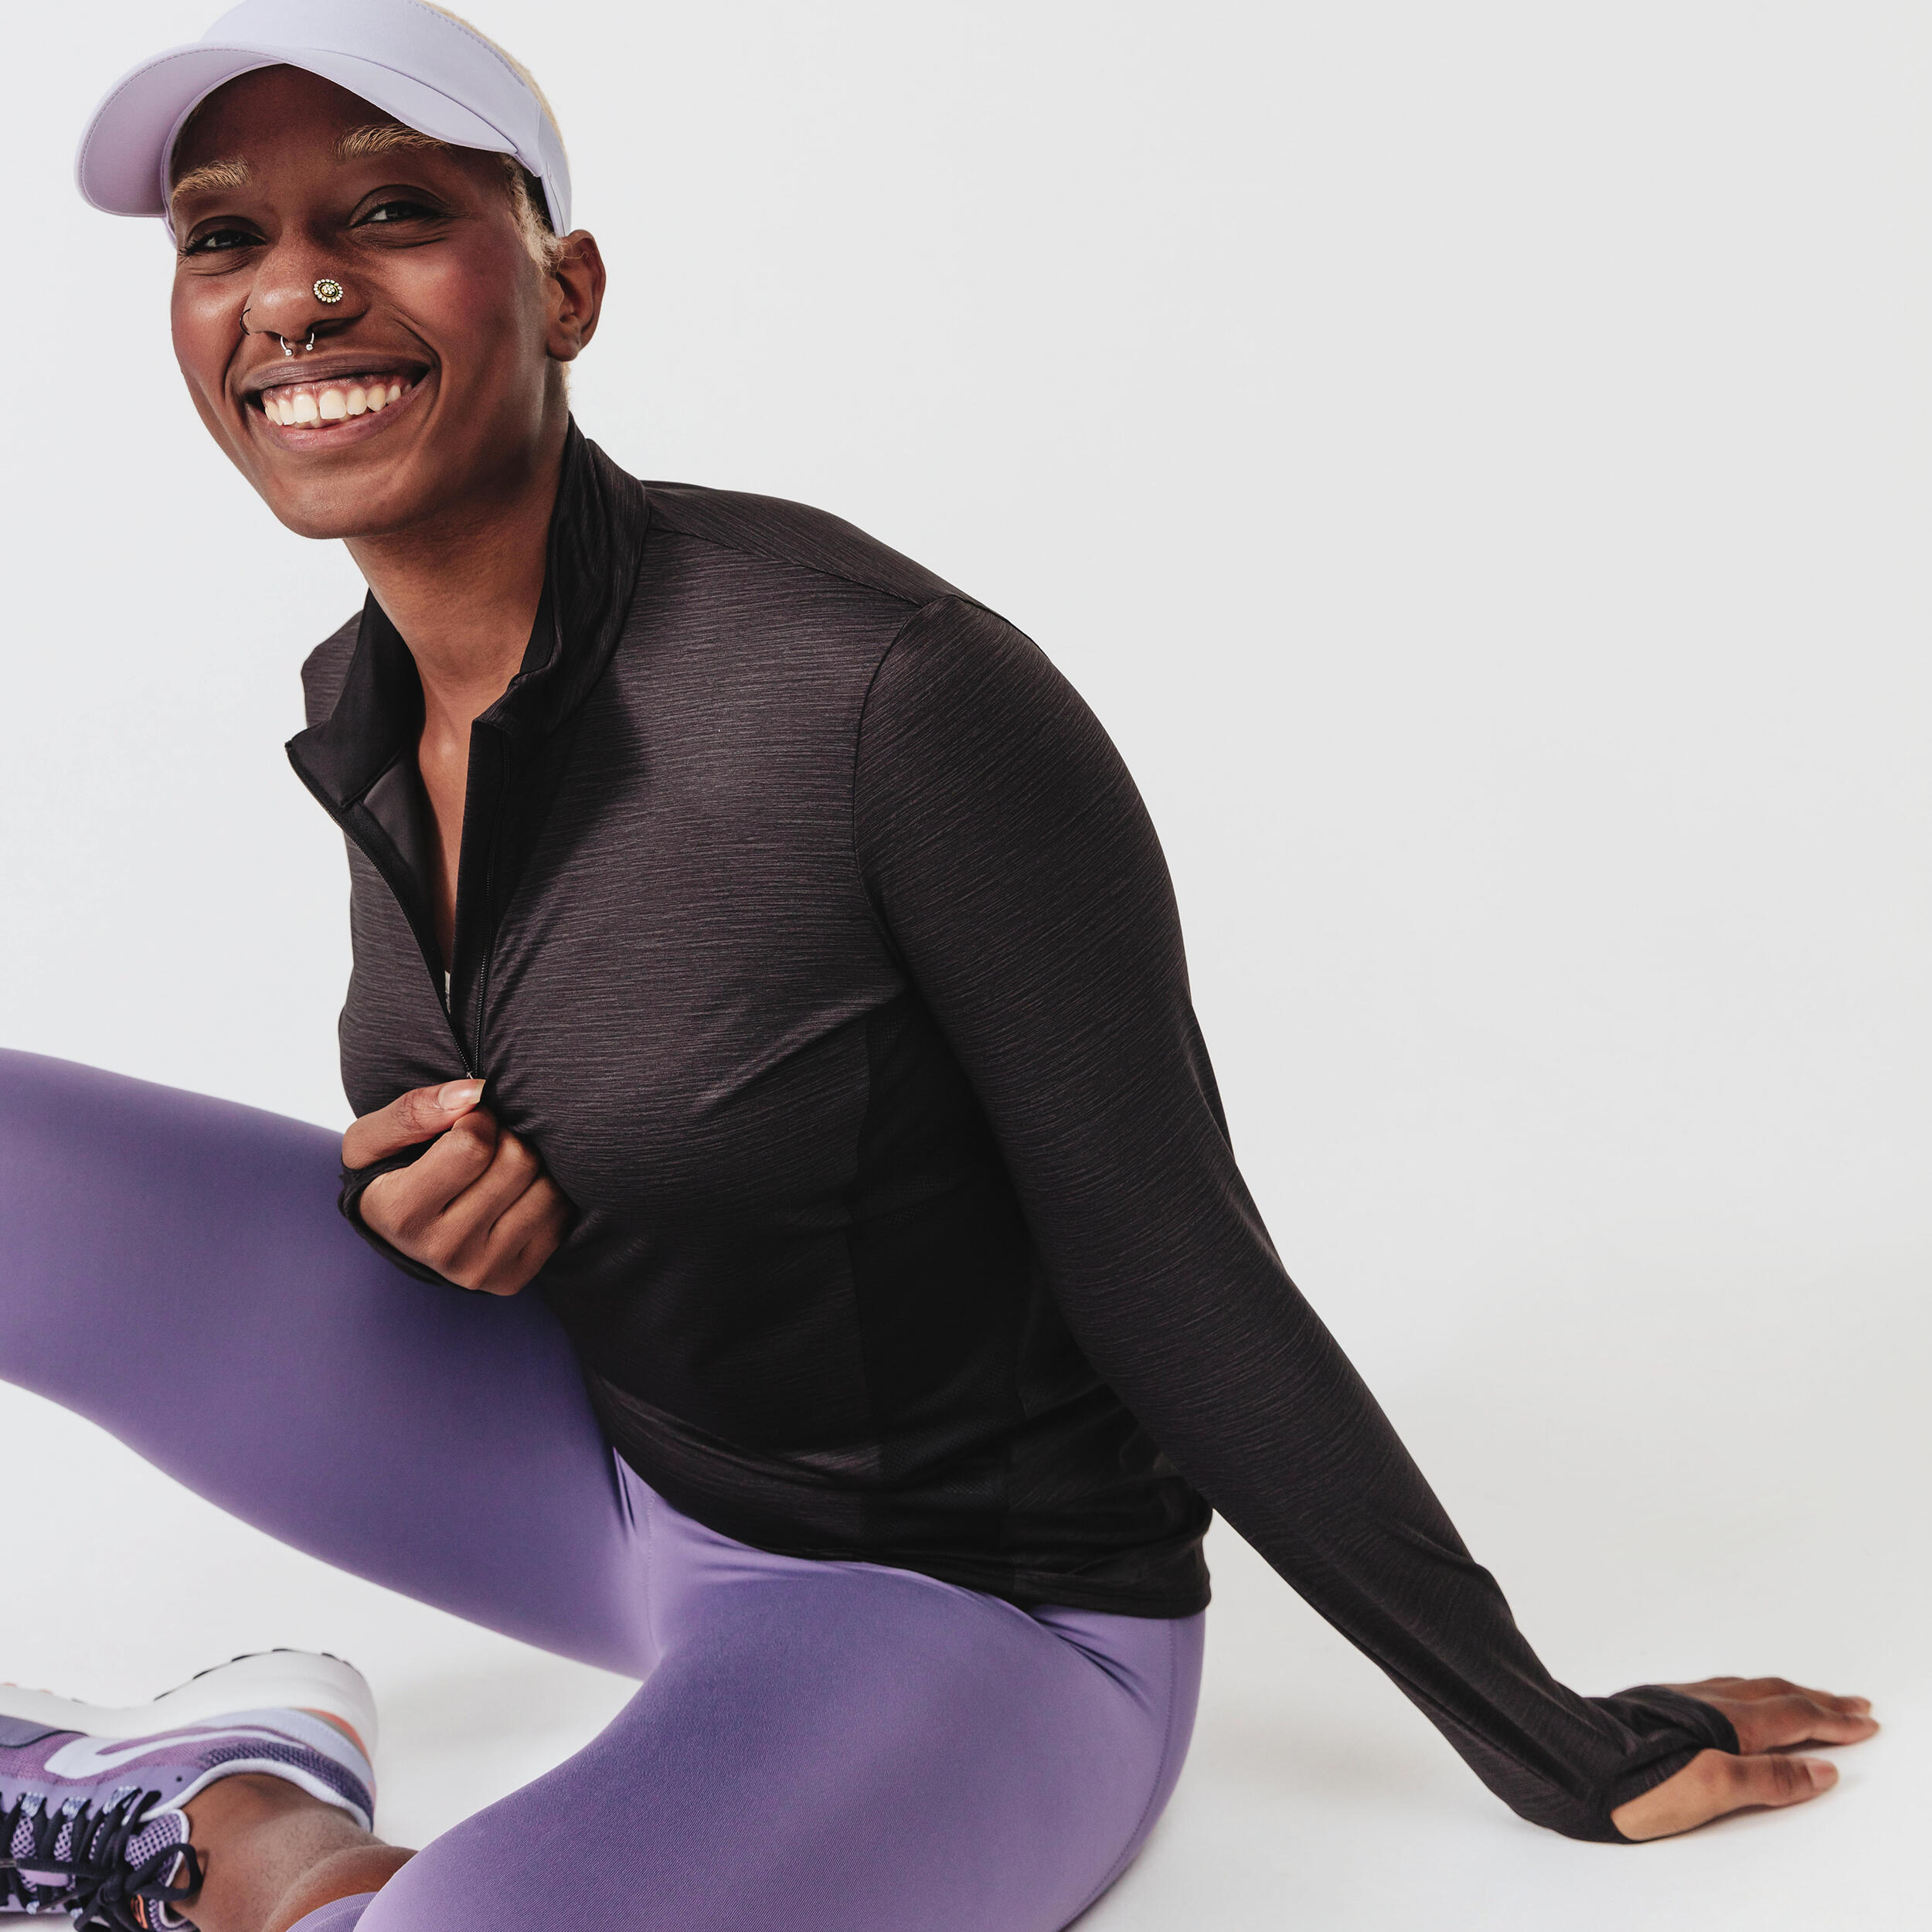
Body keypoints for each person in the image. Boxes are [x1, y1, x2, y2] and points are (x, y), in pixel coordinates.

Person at [1, 3, 1877, 1928]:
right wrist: (416, 1205)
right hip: (601, 1457)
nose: (293, 292)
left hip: (972, 1607)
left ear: (565, 289)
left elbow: (1168, 1258)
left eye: (391, 211)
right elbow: (590, 1094)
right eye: (223, 237)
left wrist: (1547, 1734)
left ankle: (244, 1837)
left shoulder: (876, 691)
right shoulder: (368, 696)